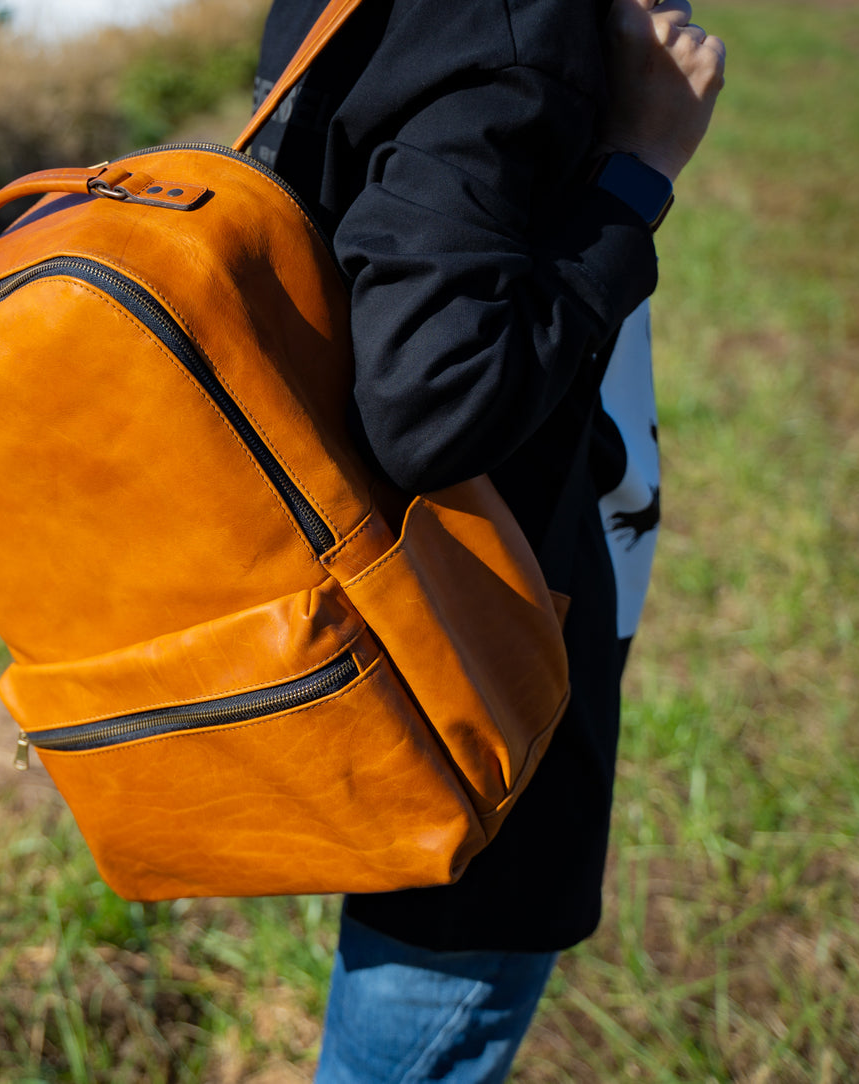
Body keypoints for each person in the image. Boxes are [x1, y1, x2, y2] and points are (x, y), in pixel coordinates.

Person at [247, 0, 726, 1079]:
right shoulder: (511, 23)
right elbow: (432, 397)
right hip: (488, 639)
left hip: (442, 612)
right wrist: (639, 169)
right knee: (428, 1003)